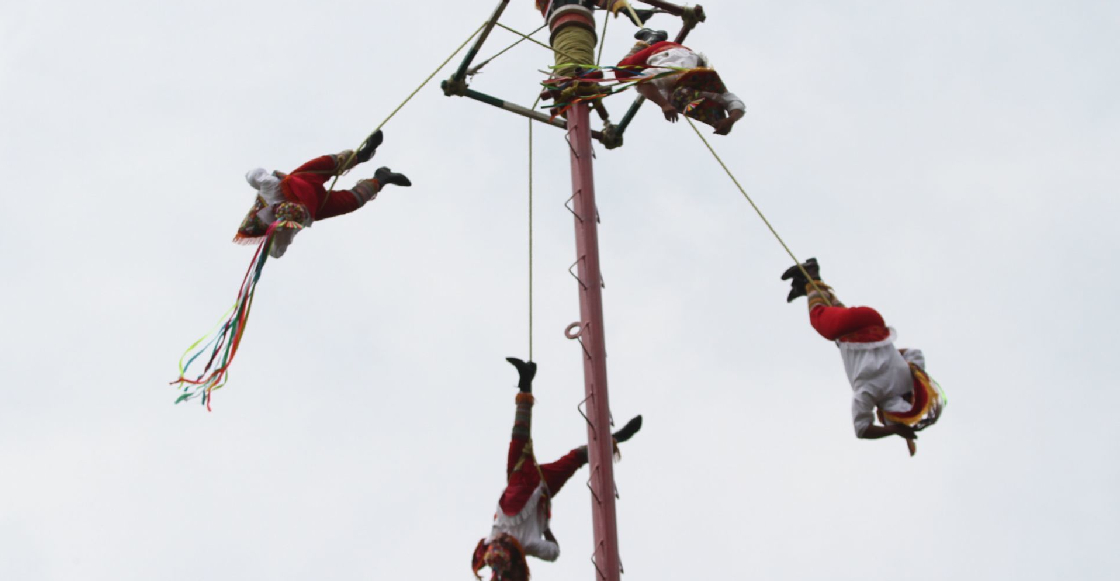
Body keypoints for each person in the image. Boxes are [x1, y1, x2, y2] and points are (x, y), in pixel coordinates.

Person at [472, 357, 642, 581]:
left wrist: (544, 529)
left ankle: (526, 380)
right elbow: (553, 552)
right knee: (570, 456)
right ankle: (614, 439)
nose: (501, 541)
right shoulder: (523, 544)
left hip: (525, 485)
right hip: (538, 489)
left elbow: (551, 552)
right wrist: (544, 527)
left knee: (525, 437)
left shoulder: (498, 542)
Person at [783, 258, 944, 456]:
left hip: (871, 321)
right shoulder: (871, 392)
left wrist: (893, 356)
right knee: (820, 320)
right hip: (845, 329)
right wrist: (895, 431)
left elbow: (915, 353)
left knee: (835, 315)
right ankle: (810, 276)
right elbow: (862, 430)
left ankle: (806, 285)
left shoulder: (908, 378)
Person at [234, 129, 411, 258]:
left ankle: (363, 154)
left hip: (302, 181)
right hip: (317, 207)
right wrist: (274, 236)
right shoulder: (284, 227)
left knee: (330, 162)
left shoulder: (271, 189)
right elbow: (277, 251)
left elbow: (254, 175)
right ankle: (382, 178)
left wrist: (263, 180)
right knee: (352, 201)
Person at [616, 28, 746, 135]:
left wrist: (731, 120)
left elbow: (737, 103)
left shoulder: (714, 94)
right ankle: (651, 39)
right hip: (663, 50)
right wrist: (664, 105)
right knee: (620, 73)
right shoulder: (671, 78)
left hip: (685, 56)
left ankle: (653, 41)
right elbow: (642, 81)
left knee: (644, 77)